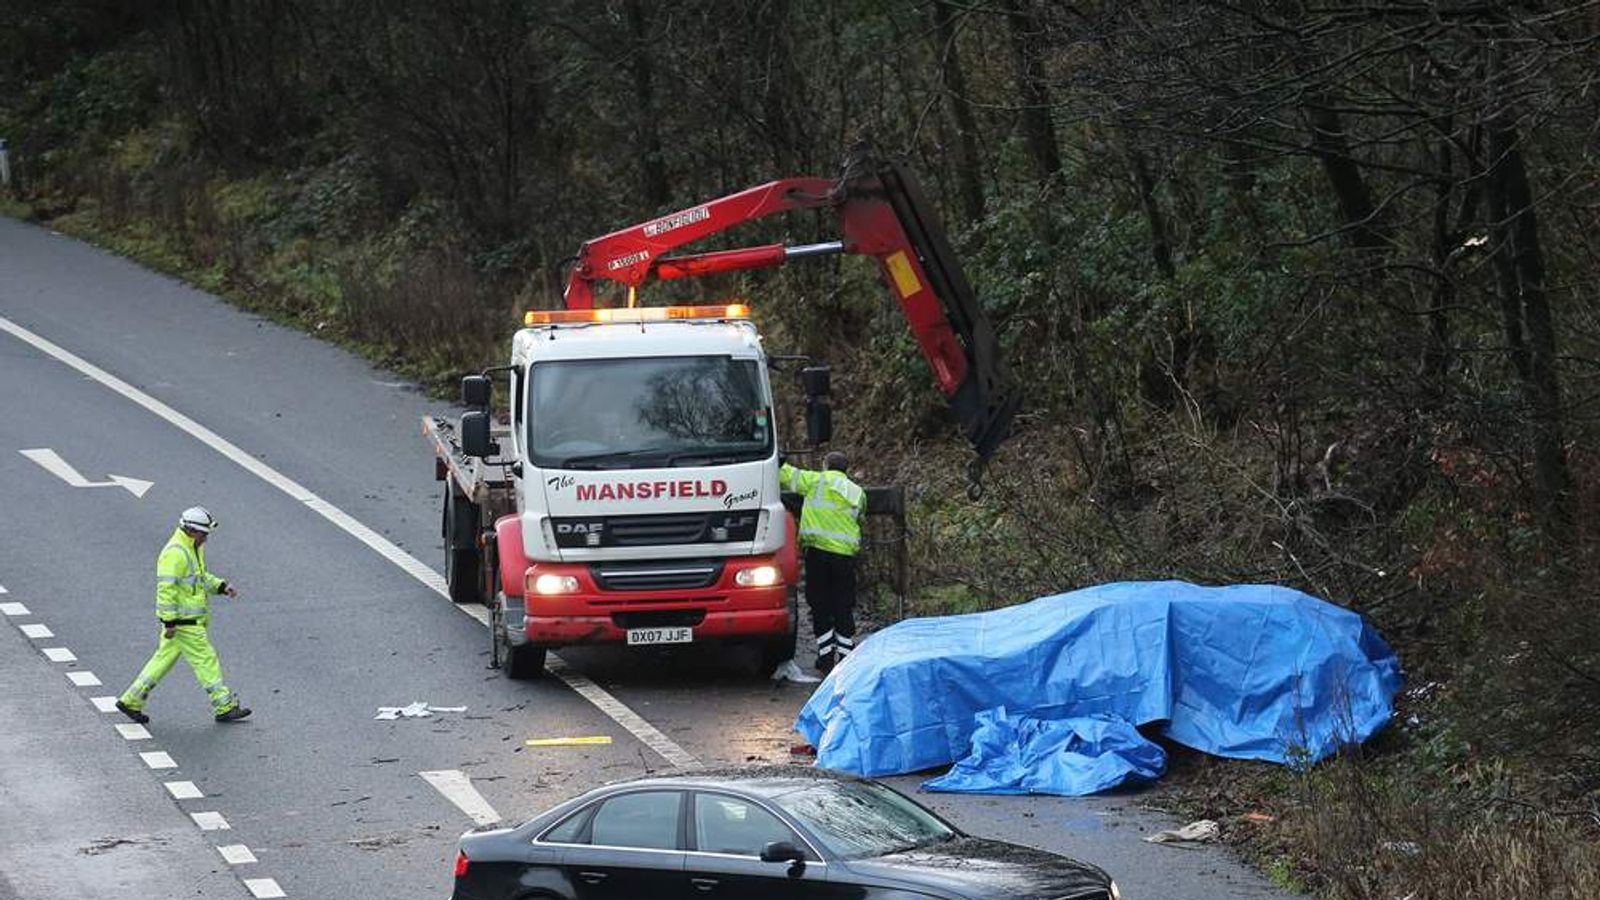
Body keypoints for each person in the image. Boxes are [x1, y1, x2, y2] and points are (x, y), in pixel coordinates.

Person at [116, 507, 251, 724]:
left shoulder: (191, 548)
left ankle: (131, 700)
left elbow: (198, 577)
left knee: (161, 661)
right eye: (204, 533)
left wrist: (220, 586)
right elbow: (165, 590)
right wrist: (169, 621)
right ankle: (224, 705)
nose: (206, 538)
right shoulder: (175, 553)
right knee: (206, 660)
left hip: (181, 622)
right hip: (183, 623)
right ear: (191, 531)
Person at [779, 450, 866, 674]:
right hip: (845, 557)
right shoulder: (857, 493)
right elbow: (859, 519)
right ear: (846, 470)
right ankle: (846, 656)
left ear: (825, 466)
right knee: (843, 603)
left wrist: (779, 460)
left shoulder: (815, 481)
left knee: (819, 604)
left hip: (818, 553)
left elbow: (786, 474)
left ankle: (825, 656)